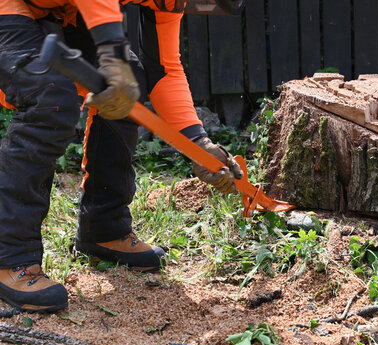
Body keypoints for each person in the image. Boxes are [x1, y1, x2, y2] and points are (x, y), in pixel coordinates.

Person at [0, 0, 243, 312]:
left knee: (133, 82)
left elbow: (165, 70)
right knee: (49, 96)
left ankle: (103, 229)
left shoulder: (170, 3)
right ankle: (9, 258)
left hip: (57, 11)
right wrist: (113, 58)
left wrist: (197, 141)